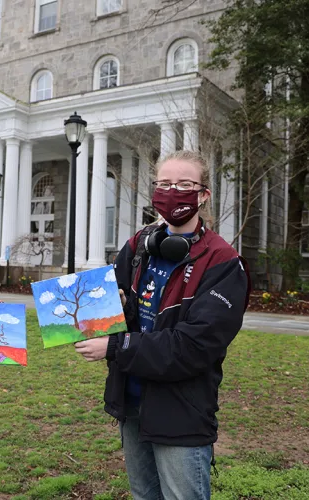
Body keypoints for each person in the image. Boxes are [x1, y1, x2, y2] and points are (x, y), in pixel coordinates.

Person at [74, 150, 251, 500]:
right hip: (132, 402)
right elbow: (104, 308)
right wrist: (116, 310)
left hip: (182, 411)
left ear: (203, 195)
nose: (173, 192)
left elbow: (194, 346)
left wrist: (116, 346)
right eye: (165, 183)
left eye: (185, 184)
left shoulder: (224, 263)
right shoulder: (139, 245)